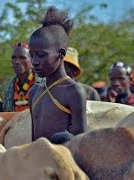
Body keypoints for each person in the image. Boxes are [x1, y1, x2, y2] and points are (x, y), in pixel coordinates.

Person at [28, 7, 87, 144]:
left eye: (41, 55)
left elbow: (81, 142)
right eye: (31, 55)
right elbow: (33, 140)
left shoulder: (74, 91)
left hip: (62, 162)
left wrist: (67, 140)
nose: (34, 62)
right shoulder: (33, 92)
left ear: (61, 53)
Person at [2, 42, 36, 112]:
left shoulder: (43, 83)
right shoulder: (9, 87)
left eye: (22, 58)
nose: (17, 62)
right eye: (14, 58)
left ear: (32, 60)